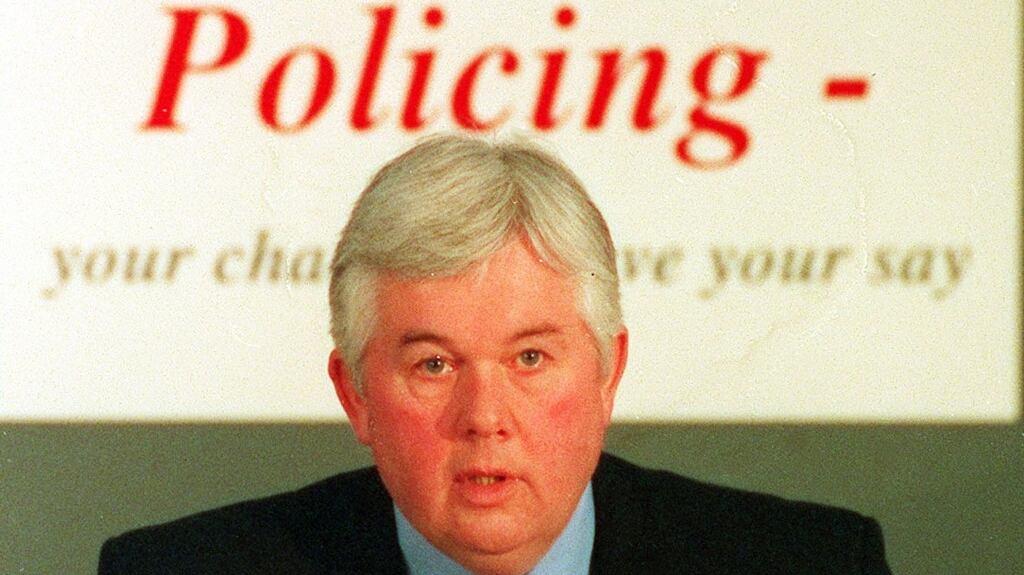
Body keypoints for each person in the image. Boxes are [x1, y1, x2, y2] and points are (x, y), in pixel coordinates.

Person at [99, 134, 892, 574]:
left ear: (609, 371)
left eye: (530, 359)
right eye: (434, 364)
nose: (484, 418)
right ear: (356, 395)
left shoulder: (811, 565)